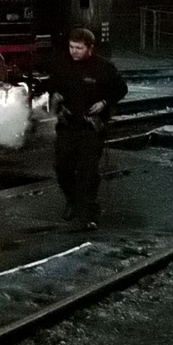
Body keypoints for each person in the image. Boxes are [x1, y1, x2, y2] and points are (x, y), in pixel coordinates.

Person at [48, 27, 127, 230]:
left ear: (90, 48)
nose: (74, 51)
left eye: (79, 48)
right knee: (63, 167)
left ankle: (89, 213)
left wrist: (104, 102)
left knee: (88, 172)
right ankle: (72, 200)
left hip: (91, 127)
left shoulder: (104, 68)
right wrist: (55, 96)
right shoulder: (62, 65)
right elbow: (51, 86)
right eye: (71, 47)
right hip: (67, 125)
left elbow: (121, 88)